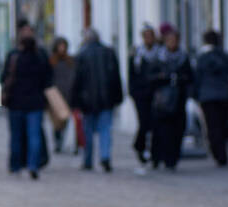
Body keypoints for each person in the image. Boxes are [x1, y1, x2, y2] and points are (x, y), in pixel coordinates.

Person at [2, 20, 53, 179]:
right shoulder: (41, 57)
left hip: (16, 103)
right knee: (34, 136)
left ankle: (15, 166)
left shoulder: (13, 57)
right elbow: (48, 79)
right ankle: (33, 165)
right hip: (35, 102)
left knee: (16, 136)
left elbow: (3, 78)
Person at [70, 27, 124, 172]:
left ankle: (88, 159)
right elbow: (116, 77)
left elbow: (77, 80)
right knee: (105, 129)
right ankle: (105, 156)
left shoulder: (82, 54)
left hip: (88, 100)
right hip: (106, 98)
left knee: (88, 130)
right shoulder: (108, 52)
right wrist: (118, 96)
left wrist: (75, 100)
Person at [194, 29, 228, 166]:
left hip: (207, 96)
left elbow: (196, 78)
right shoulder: (224, 56)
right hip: (224, 95)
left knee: (212, 126)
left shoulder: (202, 58)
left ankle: (218, 153)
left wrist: (196, 94)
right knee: (222, 124)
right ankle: (221, 153)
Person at [148, 22, 193, 171]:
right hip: (162, 100)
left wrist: (181, 79)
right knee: (162, 131)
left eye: (175, 41)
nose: (172, 44)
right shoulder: (158, 57)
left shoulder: (183, 57)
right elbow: (150, 77)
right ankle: (160, 157)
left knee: (177, 130)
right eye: (170, 40)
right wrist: (163, 77)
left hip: (179, 99)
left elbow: (191, 76)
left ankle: (172, 158)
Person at [129, 23, 161, 164]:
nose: (148, 39)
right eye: (146, 36)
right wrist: (133, 92)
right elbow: (132, 74)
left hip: (156, 94)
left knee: (155, 124)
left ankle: (155, 154)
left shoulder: (160, 52)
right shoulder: (137, 53)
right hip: (141, 94)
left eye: (151, 36)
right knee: (144, 123)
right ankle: (139, 147)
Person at [49, 36, 77, 153]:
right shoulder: (52, 61)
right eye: (60, 46)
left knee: (65, 120)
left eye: (63, 46)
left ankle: (63, 140)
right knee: (57, 122)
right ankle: (58, 141)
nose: (62, 48)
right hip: (55, 94)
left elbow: (73, 75)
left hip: (68, 93)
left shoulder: (70, 60)